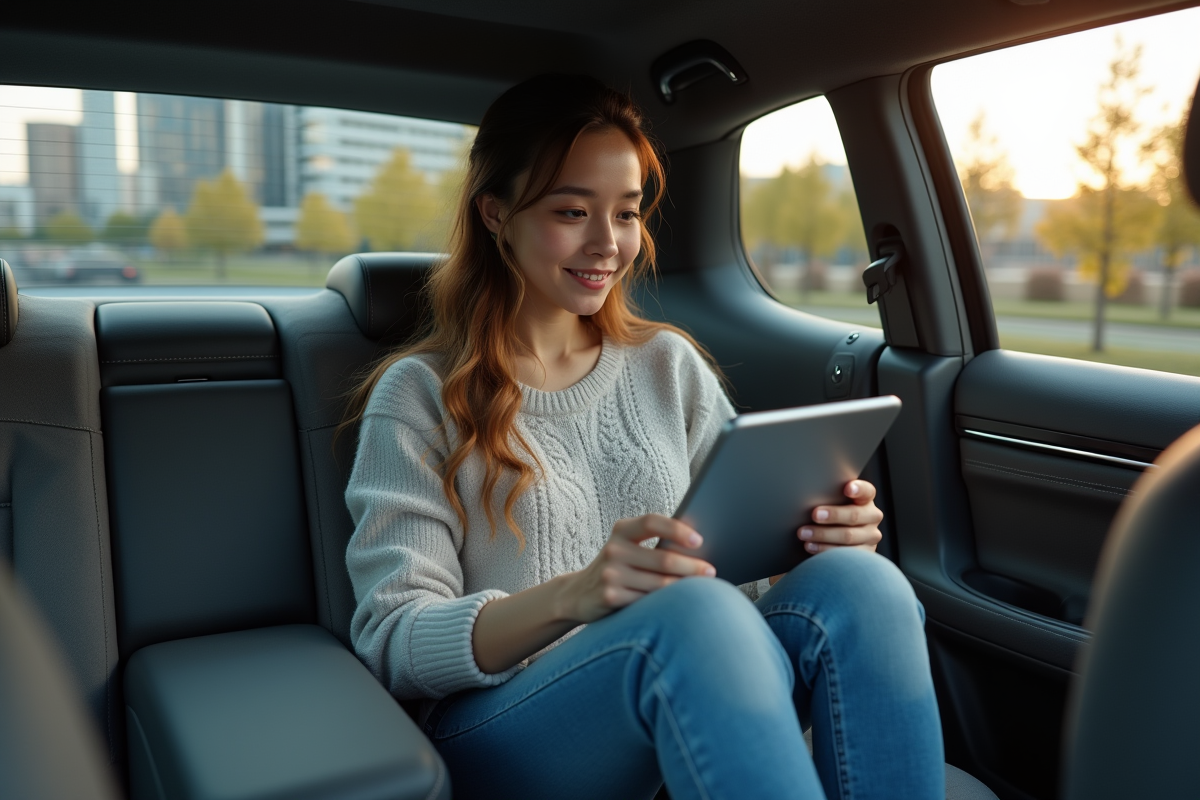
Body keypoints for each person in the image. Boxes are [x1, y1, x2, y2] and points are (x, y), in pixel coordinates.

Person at [343, 74, 944, 800]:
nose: (608, 243)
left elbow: (741, 581)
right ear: (496, 214)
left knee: (864, 585)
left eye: (626, 214)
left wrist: (817, 540)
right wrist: (574, 597)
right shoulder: (417, 397)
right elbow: (394, 639)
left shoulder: (668, 366)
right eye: (571, 211)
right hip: (504, 729)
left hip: (694, 671)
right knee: (690, 615)